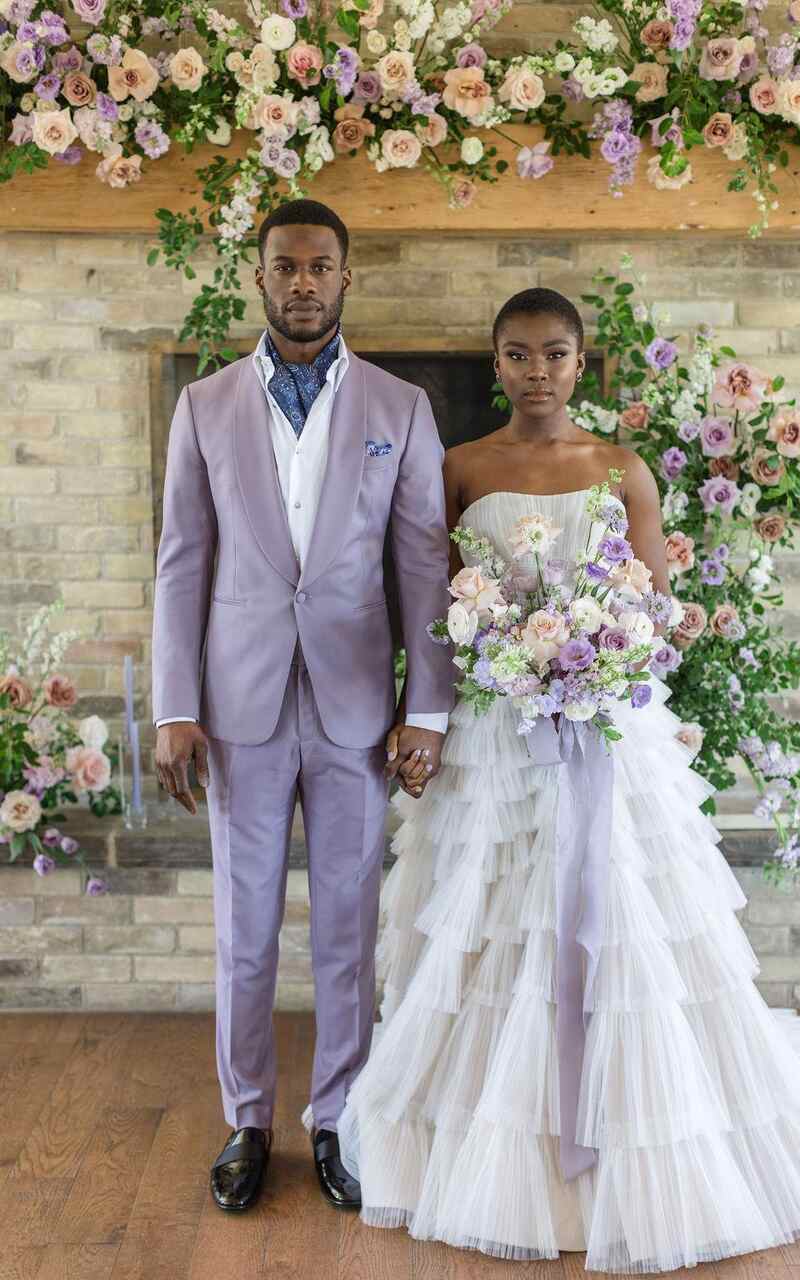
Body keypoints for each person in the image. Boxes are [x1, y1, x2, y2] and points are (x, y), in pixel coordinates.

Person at [335, 287, 800, 1269]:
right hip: (498, 737)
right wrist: (465, 691)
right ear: (496, 364)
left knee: (625, 923)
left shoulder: (620, 467)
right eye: (520, 355)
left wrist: (590, 661)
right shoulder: (457, 467)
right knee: (497, 928)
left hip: (606, 729)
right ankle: (499, 1149)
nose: (538, 372)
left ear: (582, 365)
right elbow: (430, 603)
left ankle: (631, 1143)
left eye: (556, 354)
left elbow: (651, 612)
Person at [151, 199, 455, 1214]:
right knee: (242, 929)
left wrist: (431, 706)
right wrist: (172, 705)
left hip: (358, 704)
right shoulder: (203, 406)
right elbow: (181, 563)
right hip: (234, 707)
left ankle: (339, 1119)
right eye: (285, 265)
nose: (303, 282)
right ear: (260, 274)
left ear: (346, 276)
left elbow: (420, 562)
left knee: (347, 925)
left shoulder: (399, 407)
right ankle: (248, 1119)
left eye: (321, 265)